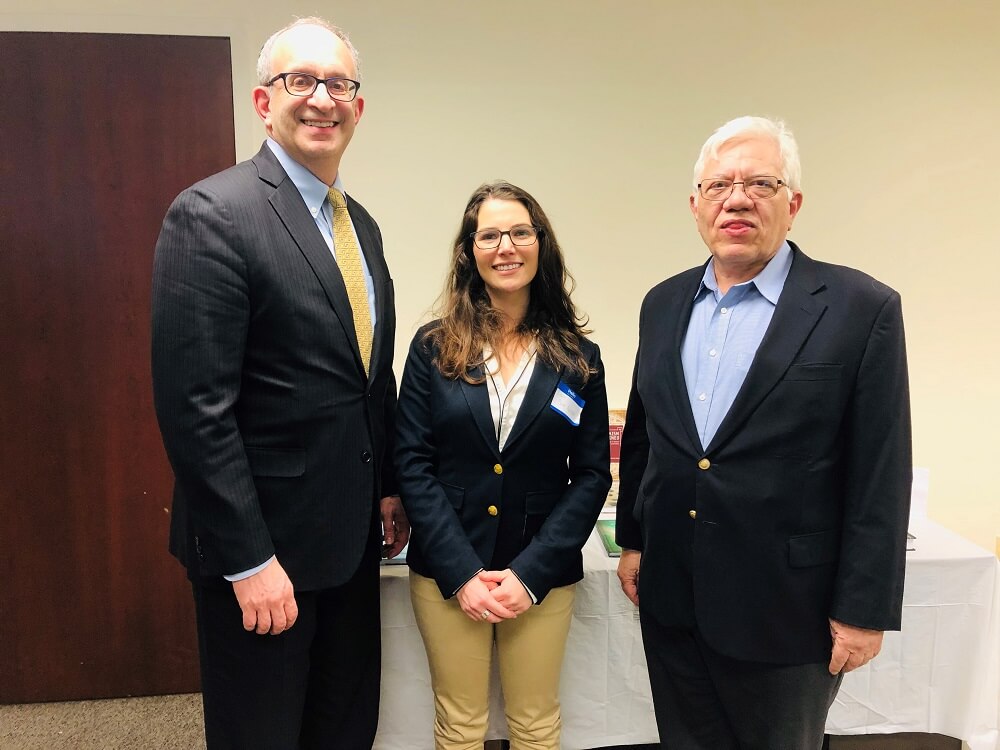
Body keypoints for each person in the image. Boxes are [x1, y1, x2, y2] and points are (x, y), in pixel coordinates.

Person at [151, 17, 408, 750]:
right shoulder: (212, 215)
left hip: (352, 546)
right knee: (263, 735)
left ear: (358, 108)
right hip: (264, 558)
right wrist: (249, 560)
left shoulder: (361, 225)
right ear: (265, 102)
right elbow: (196, 412)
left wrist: (387, 484)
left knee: (343, 729)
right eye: (302, 81)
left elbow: (369, 375)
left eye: (339, 84)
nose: (322, 98)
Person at [615, 116, 912, 749]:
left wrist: (863, 609)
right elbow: (647, 436)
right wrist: (636, 542)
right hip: (674, 599)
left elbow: (881, 470)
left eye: (760, 183)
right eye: (719, 185)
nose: (737, 199)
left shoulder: (860, 309)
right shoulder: (661, 304)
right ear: (696, 205)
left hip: (789, 610)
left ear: (793, 204)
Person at [394, 181, 612, 749]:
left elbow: (591, 475)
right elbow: (412, 463)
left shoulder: (577, 357)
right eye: (488, 235)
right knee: (460, 723)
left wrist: (532, 574)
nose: (505, 246)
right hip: (449, 566)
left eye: (519, 232)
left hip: (539, 568)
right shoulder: (432, 348)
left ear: (541, 245)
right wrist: (462, 572)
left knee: (535, 723)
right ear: (470, 250)